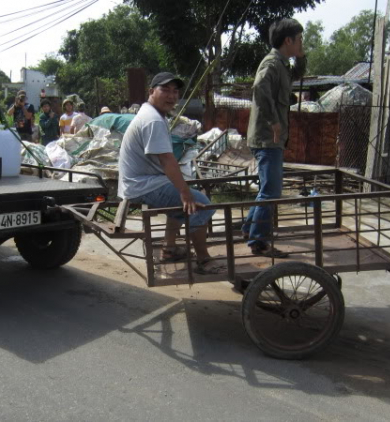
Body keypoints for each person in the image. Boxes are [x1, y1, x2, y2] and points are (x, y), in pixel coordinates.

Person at [118, 72, 221, 274]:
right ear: (151, 92)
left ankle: (170, 248)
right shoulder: (153, 120)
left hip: (141, 181)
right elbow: (167, 159)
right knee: (199, 204)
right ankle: (204, 260)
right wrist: (185, 192)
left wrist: (181, 187)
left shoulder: (155, 115)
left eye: (175, 91)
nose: (171, 96)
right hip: (142, 184)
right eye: (165, 90)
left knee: (181, 190)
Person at [242, 18, 306, 258]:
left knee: (268, 190)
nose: (301, 43)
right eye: (299, 40)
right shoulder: (271, 63)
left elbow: (297, 75)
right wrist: (274, 121)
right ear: (288, 40)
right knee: (271, 192)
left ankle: (250, 231)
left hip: (272, 139)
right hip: (267, 138)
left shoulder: (283, 64)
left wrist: (301, 55)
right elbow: (259, 89)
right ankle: (258, 243)